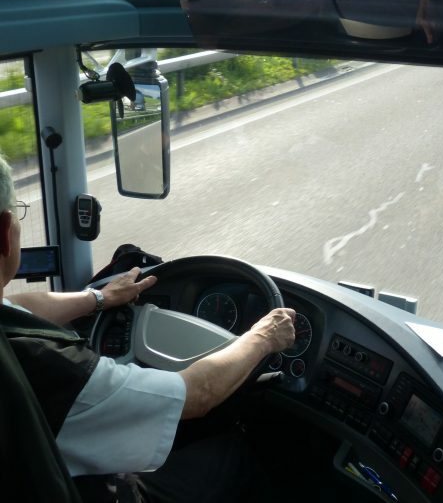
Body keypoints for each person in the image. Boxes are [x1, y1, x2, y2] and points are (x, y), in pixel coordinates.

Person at [0, 153, 296, 502]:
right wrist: (263, 337)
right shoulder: (48, 365)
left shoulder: (12, 326)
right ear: (5, 233)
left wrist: (98, 298)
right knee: (232, 455)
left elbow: (17, 307)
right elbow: (198, 395)